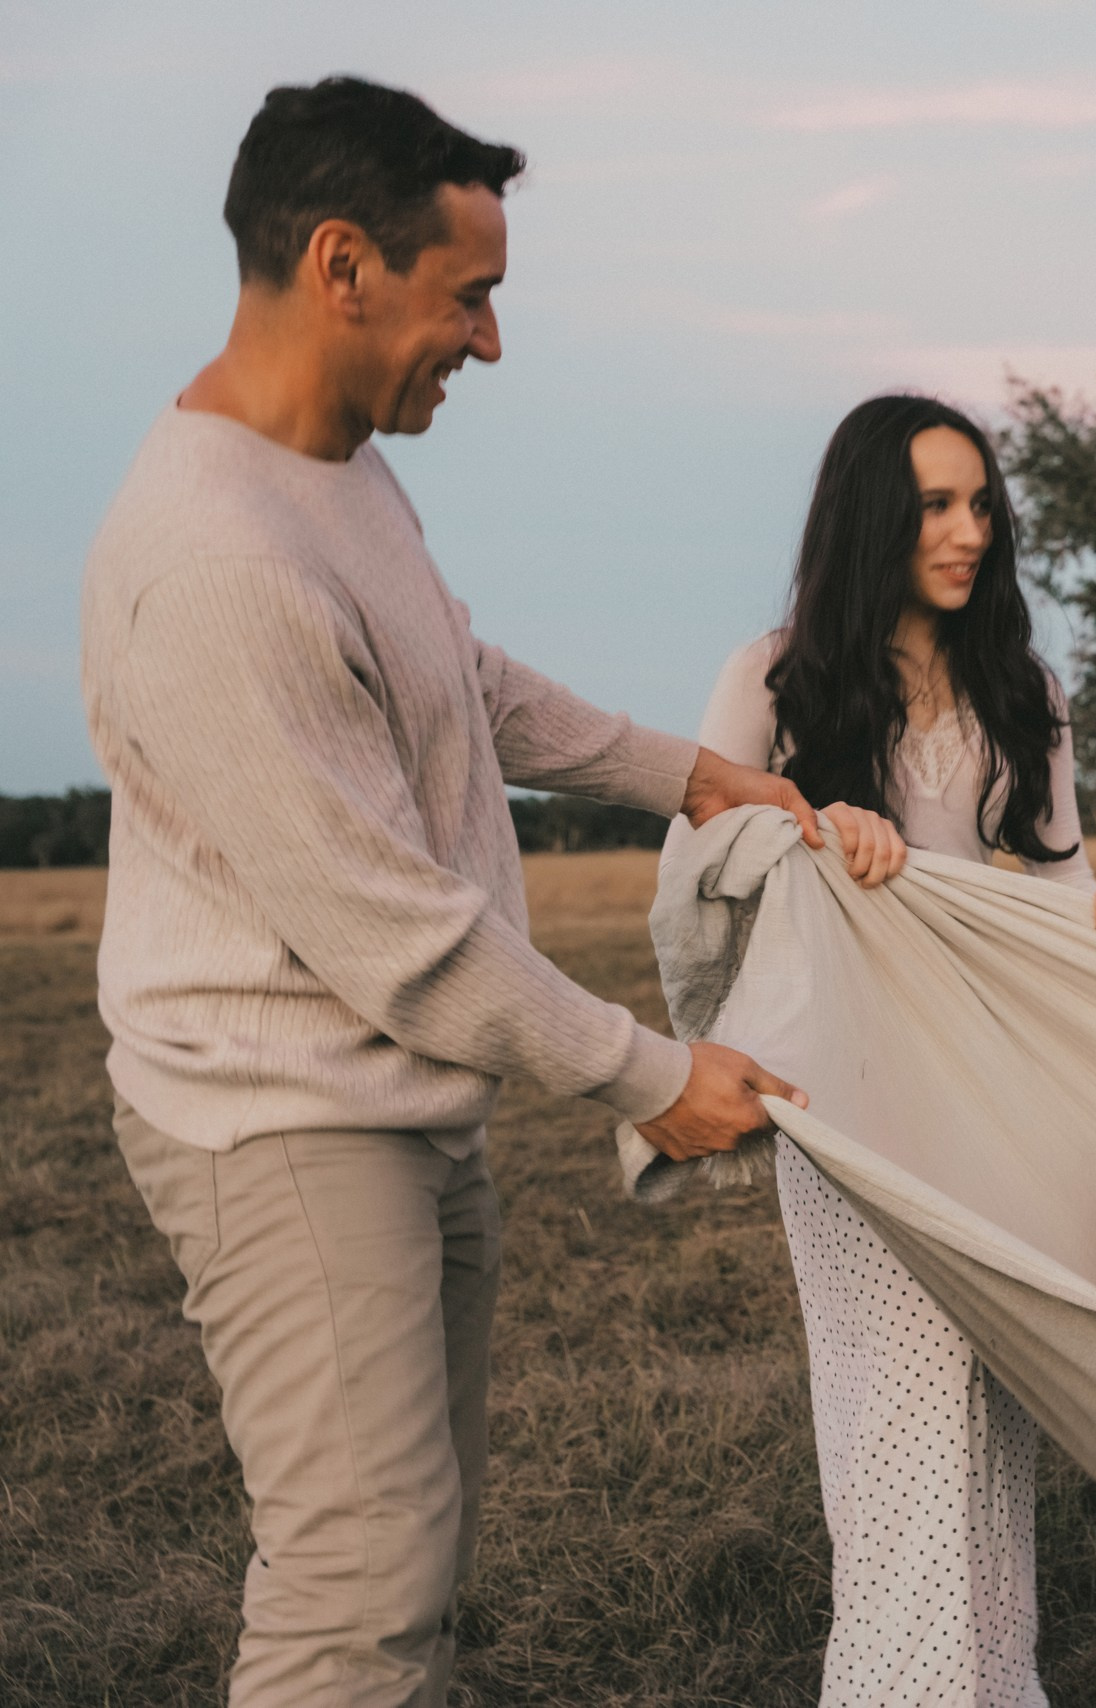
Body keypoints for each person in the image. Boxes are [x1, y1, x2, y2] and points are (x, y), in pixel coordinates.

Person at [80, 78, 815, 1707]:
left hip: (398, 1103)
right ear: (344, 263)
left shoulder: (327, 462)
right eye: (467, 295)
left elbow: (456, 672)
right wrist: (653, 1077)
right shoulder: (216, 559)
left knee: (410, 1556)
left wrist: (687, 772)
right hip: (285, 1116)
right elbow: (397, 943)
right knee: (352, 1598)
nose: (488, 343)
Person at [686, 391, 1096, 1707]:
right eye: (935, 507)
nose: (969, 530)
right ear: (873, 521)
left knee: (989, 1404)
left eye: (979, 502)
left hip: (988, 1088)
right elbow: (702, 854)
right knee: (895, 1399)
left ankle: (993, 1684)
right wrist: (810, 824)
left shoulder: (1025, 687)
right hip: (840, 1087)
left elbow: (1060, 886)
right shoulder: (773, 675)